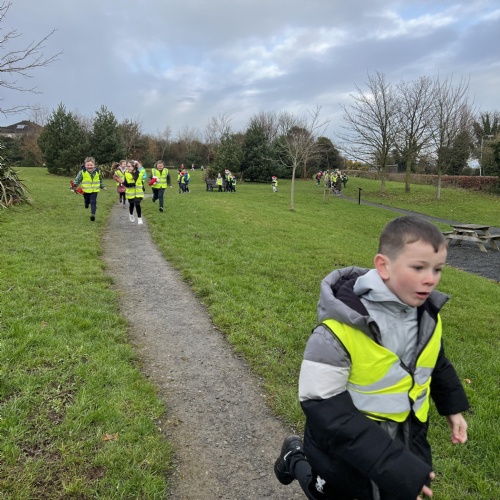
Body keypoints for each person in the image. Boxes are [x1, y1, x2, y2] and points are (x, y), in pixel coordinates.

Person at [274, 215, 469, 500]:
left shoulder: (426, 315)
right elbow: (323, 404)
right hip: (344, 452)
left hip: (407, 439)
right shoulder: (337, 330)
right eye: (418, 268)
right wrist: (390, 463)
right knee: (325, 494)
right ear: (383, 266)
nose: (430, 279)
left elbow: (433, 361)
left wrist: (453, 408)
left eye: (437, 269)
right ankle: (293, 457)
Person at [72, 156, 106, 222]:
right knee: (87, 200)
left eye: (91, 165)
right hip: (85, 191)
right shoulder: (82, 172)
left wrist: (103, 186)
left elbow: (100, 180)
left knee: (93, 202)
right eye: (88, 165)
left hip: (94, 190)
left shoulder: (97, 172)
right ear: (85, 165)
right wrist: (74, 187)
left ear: (94, 165)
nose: (89, 166)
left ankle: (93, 214)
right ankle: (86, 203)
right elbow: (77, 180)